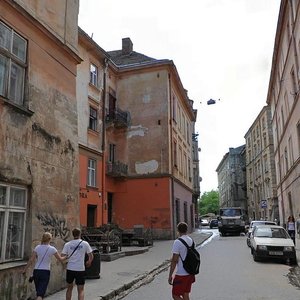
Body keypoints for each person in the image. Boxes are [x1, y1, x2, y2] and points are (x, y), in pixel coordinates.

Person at [22, 232, 65, 300]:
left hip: (36, 272)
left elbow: (31, 260)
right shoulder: (52, 249)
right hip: (45, 272)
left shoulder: (37, 247)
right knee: (40, 294)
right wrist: (67, 256)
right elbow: (60, 259)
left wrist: (25, 270)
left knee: (38, 292)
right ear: (50, 239)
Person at [62, 228, 94, 300]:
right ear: (80, 234)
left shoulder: (67, 244)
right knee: (81, 290)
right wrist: (89, 262)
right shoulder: (85, 243)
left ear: (73, 235)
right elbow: (91, 255)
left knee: (69, 289)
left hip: (70, 268)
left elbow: (62, 255)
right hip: (80, 269)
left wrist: (66, 262)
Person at [168, 222, 196, 300]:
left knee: (175, 295)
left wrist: (170, 275)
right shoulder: (191, 241)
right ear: (186, 230)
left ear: (178, 231)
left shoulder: (177, 242)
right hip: (190, 273)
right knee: (185, 294)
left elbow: (174, 260)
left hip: (181, 274)